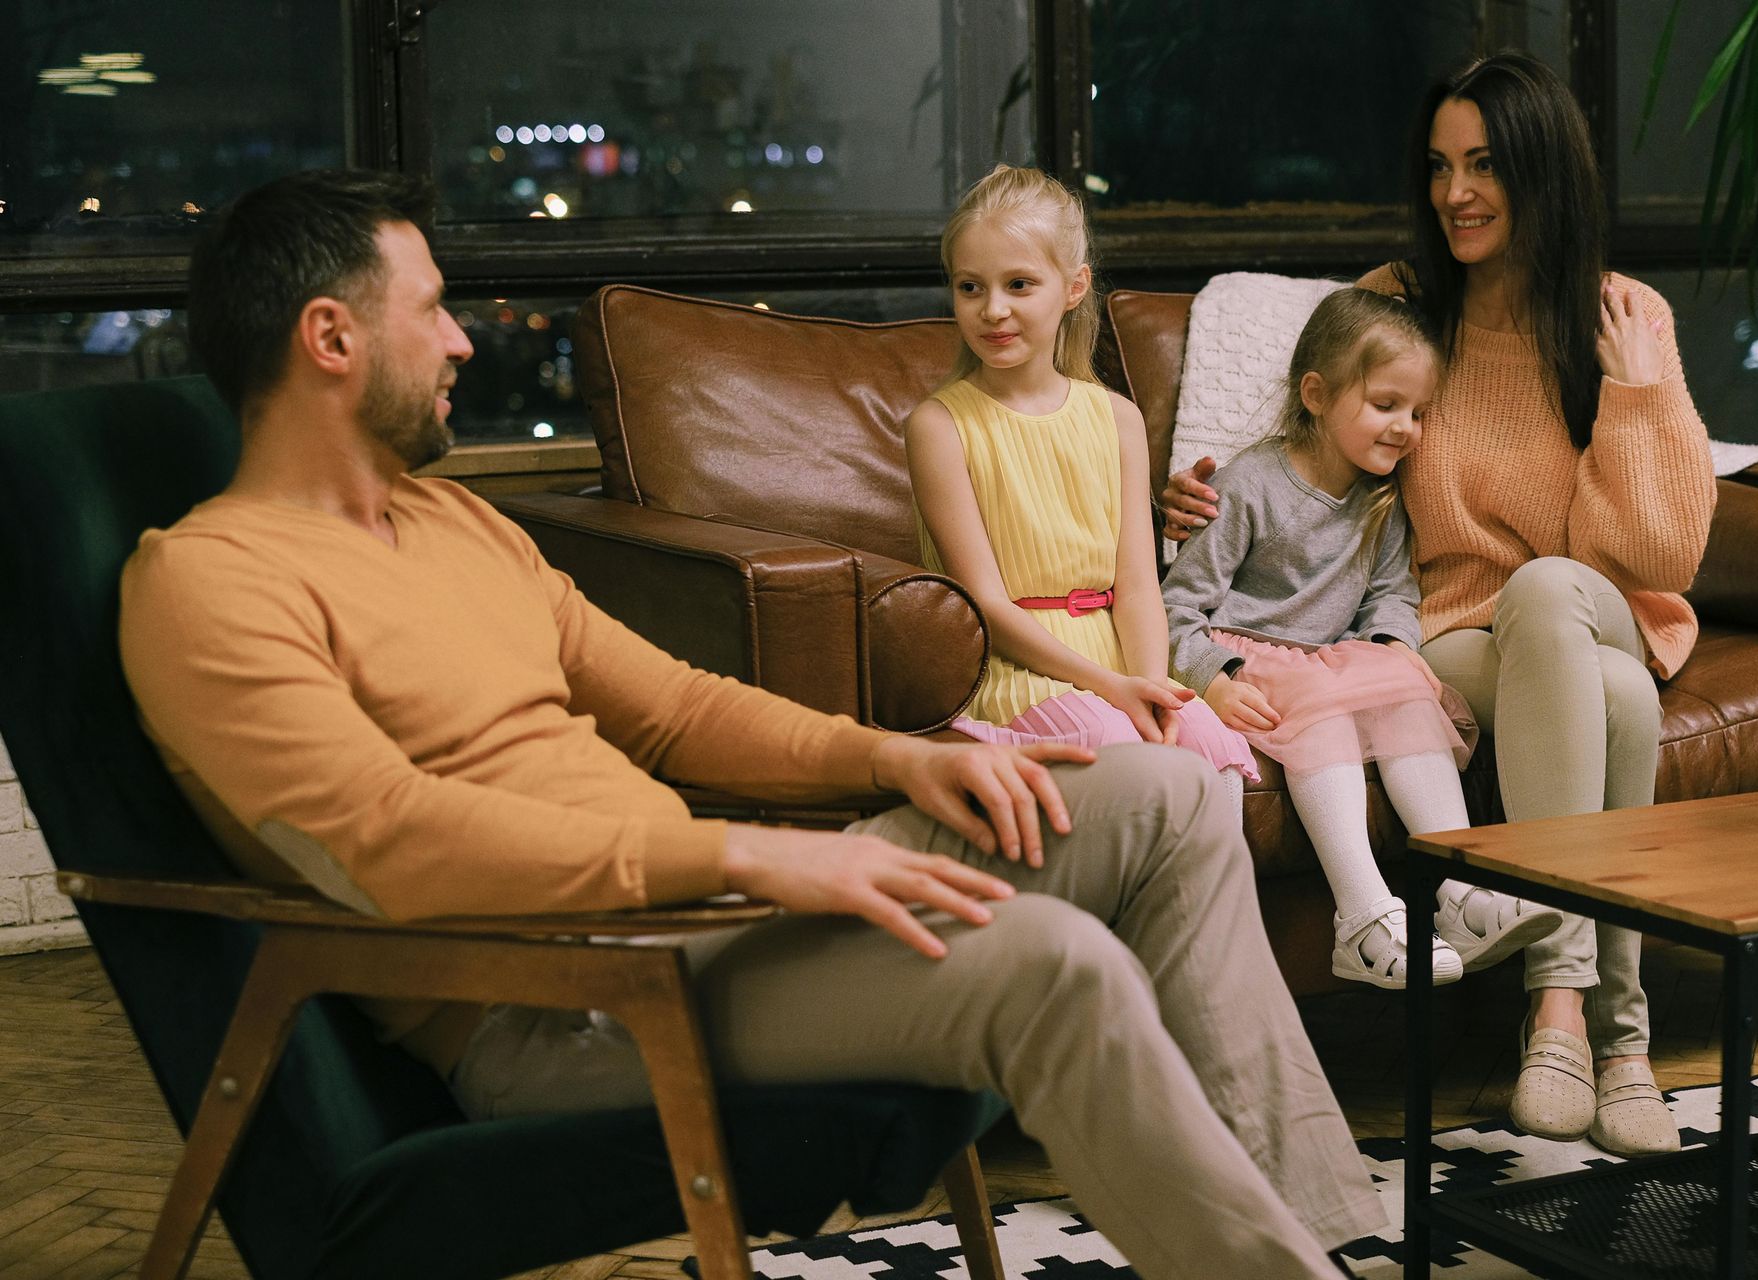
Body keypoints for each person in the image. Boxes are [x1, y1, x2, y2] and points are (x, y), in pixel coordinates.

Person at [116, 169, 1385, 1280]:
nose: (461, 341)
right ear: (331, 336)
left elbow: (675, 707)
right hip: (567, 1000)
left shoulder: (456, 524)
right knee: (1054, 964)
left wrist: (895, 759)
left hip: (712, 930)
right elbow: (387, 841)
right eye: (433, 308)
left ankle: (1323, 1238)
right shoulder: (208, 583)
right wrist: (748, 855)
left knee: (1166, 795)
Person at [1162, 53, 1716, 1156]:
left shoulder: (1621, 316)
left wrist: (1639, 389)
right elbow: (1308, 455)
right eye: (1439, 165)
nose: (1454, 192)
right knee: (1616, 699)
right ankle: (1619, 1036)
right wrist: (1188, 495)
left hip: (1595, 605)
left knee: (1560, 596)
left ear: (1542, 173)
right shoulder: (1405, 309)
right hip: (1453, 631)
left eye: (1483, 165)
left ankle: (1553, 1001)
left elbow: (1667, 551)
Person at [1160, 287, 1562, 991]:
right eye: (1386, 406)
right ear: (1316, 394)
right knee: (1332, 706)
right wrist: (1212, 680)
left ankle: (1460, 887)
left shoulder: (1383, 496)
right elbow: (1176, 609)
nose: (1406, 428)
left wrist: (1395, 645)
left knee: (1408, 688)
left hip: (1333, 661)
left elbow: (1391, 594)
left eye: (1418, 412)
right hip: (1252, 658)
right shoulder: (1249, 485)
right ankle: (1363, 914)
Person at [906, 165, 1260, 797]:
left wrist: (1150, 687)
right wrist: (1114, 691)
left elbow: (1137, 584)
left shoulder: (1117, 418)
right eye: (969, 287)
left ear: (1074, 288)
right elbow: (985, 604)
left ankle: (1206, 901)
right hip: (1017, 671)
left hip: (1123, 660)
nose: (993, 309)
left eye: (1019, 284)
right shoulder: (939, 426)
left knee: (1204, 745)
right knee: (1129, 757)